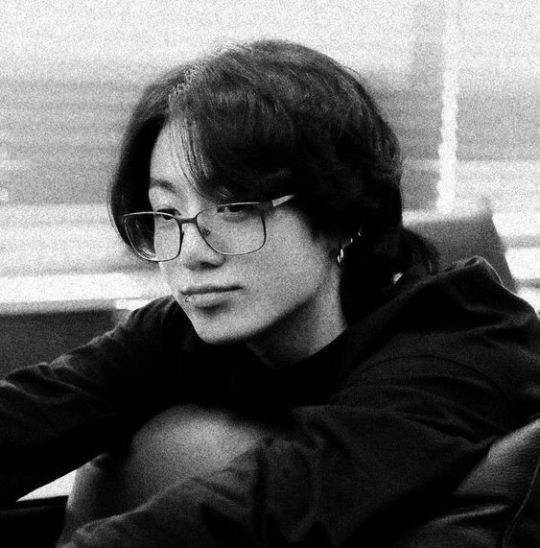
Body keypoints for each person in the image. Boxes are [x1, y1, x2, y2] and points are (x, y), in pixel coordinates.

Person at [1, 39, 540, 547]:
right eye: (167, 213)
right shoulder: (182, 329)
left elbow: (263, 511)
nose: (192, 252)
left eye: (235, 208)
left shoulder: (459, 348)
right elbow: (38, 410)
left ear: (342, 215)